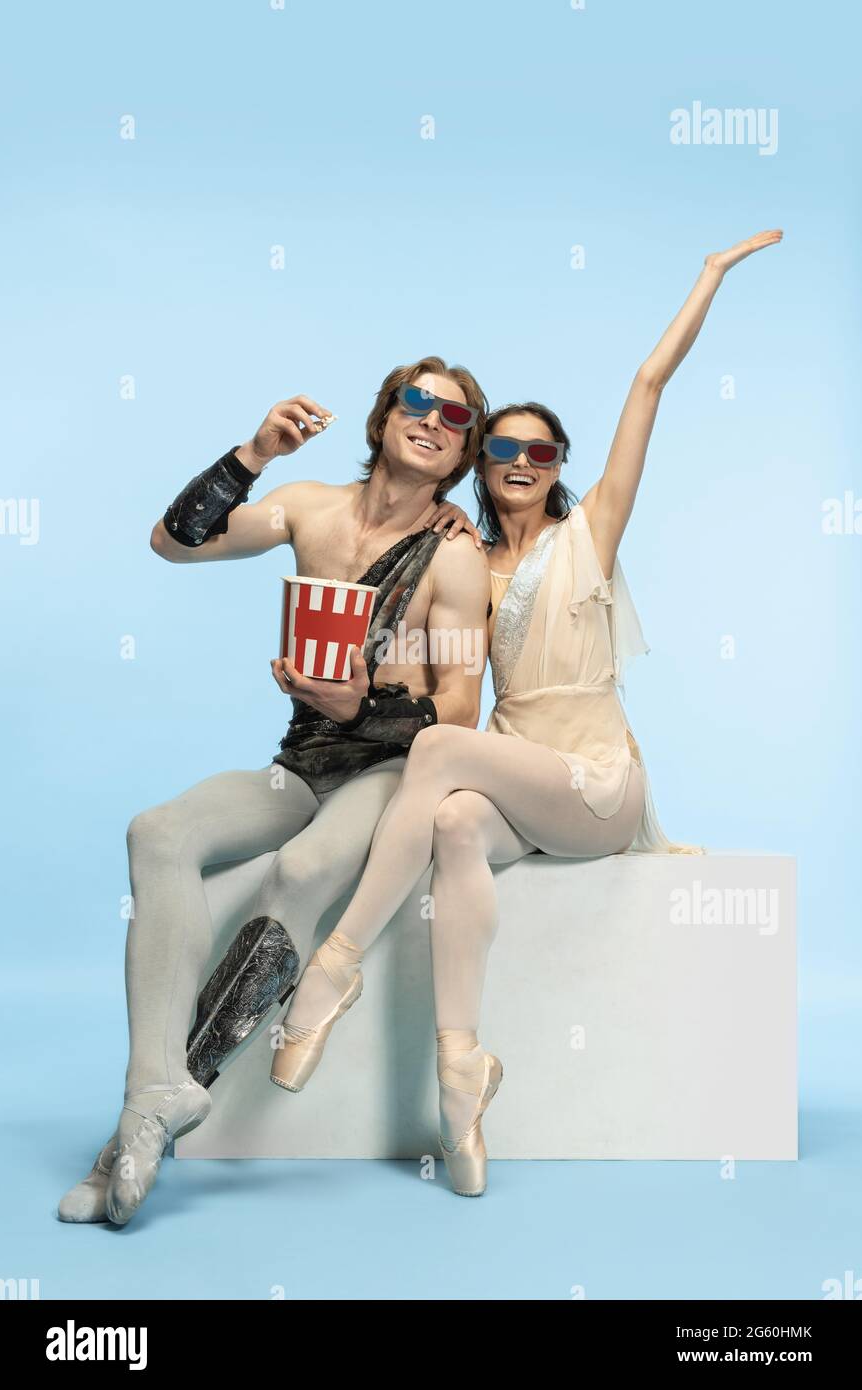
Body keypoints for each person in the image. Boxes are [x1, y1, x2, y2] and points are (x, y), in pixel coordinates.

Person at [267, 231, 783, 1196]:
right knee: (455, 816)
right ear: (479, 461)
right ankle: (461, 1080)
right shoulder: (460, 561)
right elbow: (445, 675)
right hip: (512, 780)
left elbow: (648, 385)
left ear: (556, 467)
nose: (519, 459)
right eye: (500, 445)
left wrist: (707, 275)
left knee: (443, 753)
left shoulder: (591, 532)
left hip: (594, 790)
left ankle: (333, 966)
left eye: (539, 450)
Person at [58, 357, 491, 1225]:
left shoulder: (456, 555)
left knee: (299, 874)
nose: (433, 419)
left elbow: (457, 714)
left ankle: (136, 1137)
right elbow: (172, 542)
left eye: (456, 417)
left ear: (462, 454)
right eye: (418, 400)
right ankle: (155, 1092)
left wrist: (363, 697)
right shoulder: (309, 508)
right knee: (159, 832)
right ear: (382, 418)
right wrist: (253, 454)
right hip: (300, 763)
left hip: (389, 770)